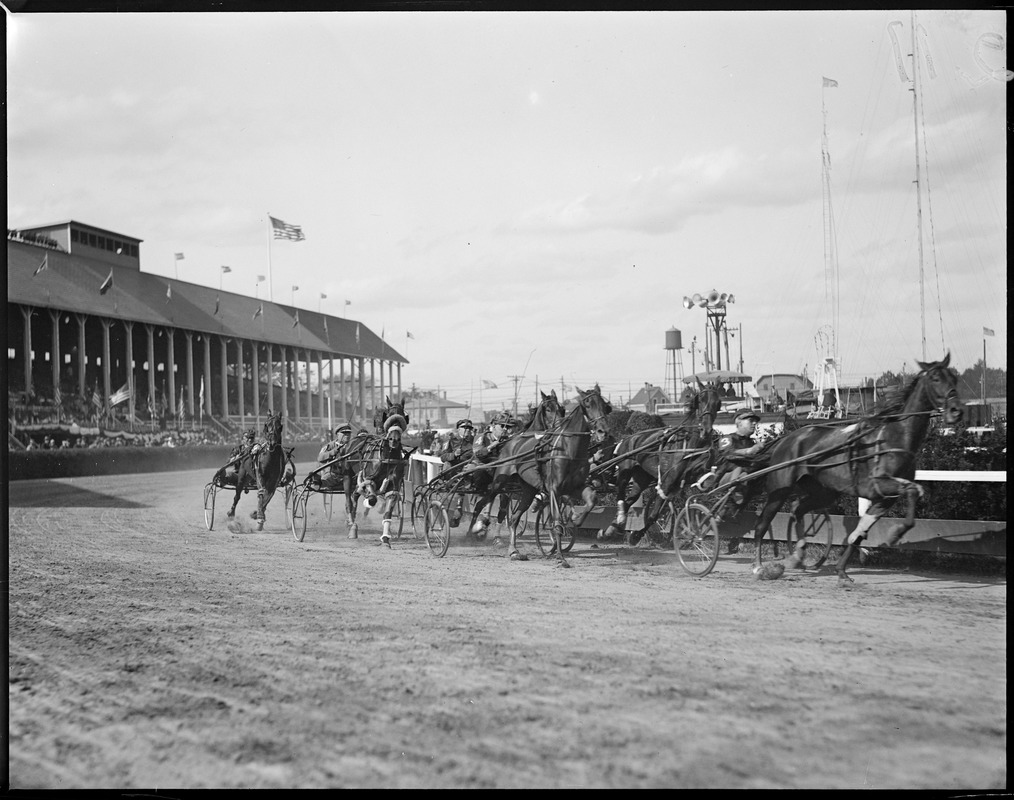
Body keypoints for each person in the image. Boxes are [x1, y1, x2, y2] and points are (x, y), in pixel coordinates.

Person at [464, 411, 517, 536]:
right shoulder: (482, 437)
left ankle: (497, 532)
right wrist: (491, 447)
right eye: (502, 426)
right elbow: (477, 453)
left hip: (500, 471)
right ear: (493, 425)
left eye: (508, 427)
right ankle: (480, 520)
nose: (505, 429)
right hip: (482, 468)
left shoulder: (509, 440)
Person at [711, 409, 767, 515]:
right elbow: (727, 453)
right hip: (724, 481)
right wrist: (749, 451)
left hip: (744, 481)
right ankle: (729, 503)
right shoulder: (727, 438)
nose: (754, 423)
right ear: (739, 422)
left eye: (755, 421)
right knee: (740, 470)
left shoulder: (752, 442)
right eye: (751, 420)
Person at [377, 424, 410, 547]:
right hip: (378, 478)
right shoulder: (380, 447)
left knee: (390, 501)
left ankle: (385, 536)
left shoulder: (398, 447)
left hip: (393, 481)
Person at [440, 419, 476, 527]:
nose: (467, 430)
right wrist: (454, 455)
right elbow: (443, 457)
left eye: (469, 428)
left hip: (469, 470)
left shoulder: (475, 441)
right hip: (453, 470)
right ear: (458, 429)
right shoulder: (451, 440)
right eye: (464, 428)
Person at [316, 422, 353, 489]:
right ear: (338, 434)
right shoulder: (330, 446)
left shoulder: (354, 445)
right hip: (333, 476)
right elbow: (320, 458)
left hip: (350, 476)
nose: (347, 435)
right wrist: (333, 452)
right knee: (317, 482)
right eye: (344, 433)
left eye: (348, 433)